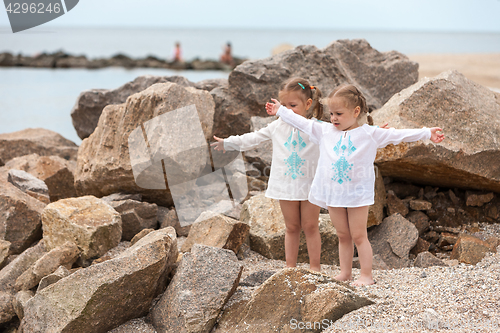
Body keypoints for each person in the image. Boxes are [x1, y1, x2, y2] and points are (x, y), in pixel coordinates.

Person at [266, 84, 445, 285]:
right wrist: (280, 111)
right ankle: (345, 273)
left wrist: (426, 133)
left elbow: (398, 135)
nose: (333, 118)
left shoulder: (370, 134)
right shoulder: (324, 131)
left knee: (359, 236)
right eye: (332, 113)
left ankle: (366, 276)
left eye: (339, 114)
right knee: (343, 235)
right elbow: (300, 121)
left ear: (356, 111)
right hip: (333, 194)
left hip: (357, 194)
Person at [211, 78, 323, 271]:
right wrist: (228, 143)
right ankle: (290, 268)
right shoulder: (277, 126)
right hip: (285, 185)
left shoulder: (316, 127)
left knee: (311, 226)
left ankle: (315, 267)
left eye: (292, 106)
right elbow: (253, 139)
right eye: (284, 105)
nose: (286, 110)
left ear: (308, 104)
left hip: (311, 184)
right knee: (291, 227)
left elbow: (340, 136)